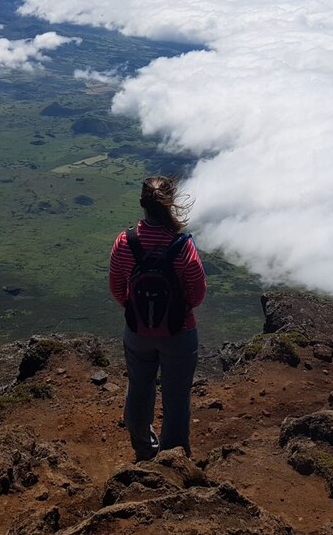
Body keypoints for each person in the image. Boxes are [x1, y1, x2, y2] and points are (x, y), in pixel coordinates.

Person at [108, 175, 207, 461]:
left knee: (139, 388)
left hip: (137, 331)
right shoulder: (182, 246)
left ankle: (143, 448)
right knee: (176, 397)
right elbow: (197, 295)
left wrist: (136, 309)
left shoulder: (124, 242)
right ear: (170, 204)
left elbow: (117, 288)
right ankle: (172, 458)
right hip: (179, 333)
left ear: (142, 203)